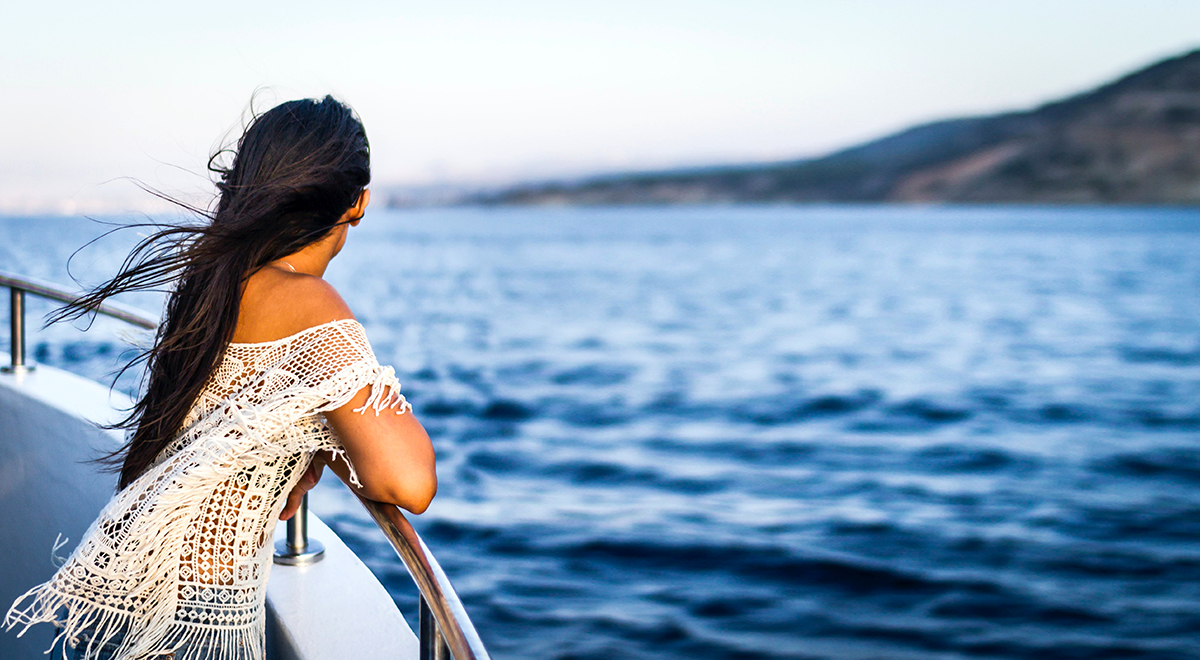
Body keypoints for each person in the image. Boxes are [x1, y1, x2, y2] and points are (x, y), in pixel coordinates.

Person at [4, 96, 437, 660]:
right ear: (359, 203)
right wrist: (330, 437)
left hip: (131, 587)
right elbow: (409, 484)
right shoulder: (309, 302)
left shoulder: (213, 280)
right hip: (198, 621)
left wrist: (314, 434)